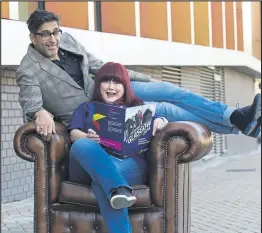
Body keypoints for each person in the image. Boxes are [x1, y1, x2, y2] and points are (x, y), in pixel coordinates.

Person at [16, 9, 261, 142]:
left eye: (55, 32)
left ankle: (234, 116)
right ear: (33, 37)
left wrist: (142, 78)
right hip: (95, 112)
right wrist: (40, 112)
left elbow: (100, 66)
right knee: (166, 109)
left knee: (167, 90)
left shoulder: (66, 40)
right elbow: (30, 102)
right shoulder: (28, 69)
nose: (53, 39)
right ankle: (239, 125)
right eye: (46, 34)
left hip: (106, 86)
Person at [68, 62, 168, 233]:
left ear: (125, 86)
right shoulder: (86, 107)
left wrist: (161, 121)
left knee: (103, 181)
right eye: (106, 81)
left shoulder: (138, 108)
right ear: (99, 84)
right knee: (80, 145)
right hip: (88, 162)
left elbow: (164, 117)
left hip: (128, 164)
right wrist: (86, 137)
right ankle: (117, 188)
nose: (111, 87)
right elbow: (73, 134)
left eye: (117, 82)